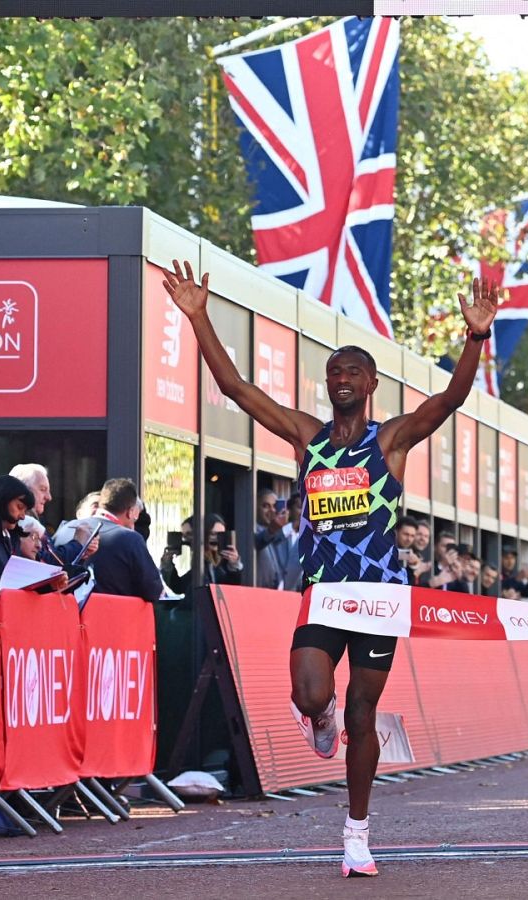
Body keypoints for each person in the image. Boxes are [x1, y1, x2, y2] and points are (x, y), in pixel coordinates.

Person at [164, 258, 498, 878]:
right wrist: (199, 316)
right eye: (333, 372)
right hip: (323, 592)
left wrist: (475, 337)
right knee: (310, 692)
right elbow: (237, 389)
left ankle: (356, 834)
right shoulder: (307, 437)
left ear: (371, 382)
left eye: (352, 371)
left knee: (364, 715)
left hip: (377, 597)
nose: (341, 379)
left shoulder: (391, 440)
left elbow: (451, 398)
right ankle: (317, 716)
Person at [82, 478, 164, 602]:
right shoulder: (130, 539)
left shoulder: (65, 529)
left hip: (63, 618)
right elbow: (153, 590)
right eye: (136, 515)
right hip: (114, 618)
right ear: (130, 512)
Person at [255, 489, 297, 591]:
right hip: (257, 593)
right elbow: (260, 540)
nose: (272, 510)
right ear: (255, 507)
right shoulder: (253, 530)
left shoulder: (277, 534)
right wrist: (273, 528)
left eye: (274, 506)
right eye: (265, 506)